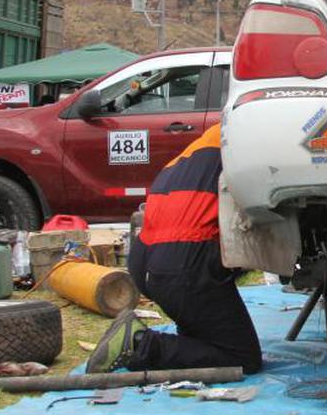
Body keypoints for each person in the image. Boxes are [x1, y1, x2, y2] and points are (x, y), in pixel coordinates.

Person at [87, 124, 262, 374]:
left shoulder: (205, 144)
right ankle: (140, 344)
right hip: (184, 262)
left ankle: (158, 344)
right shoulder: (252, 137)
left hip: (148, 257)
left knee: (205, 338)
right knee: (243, 358)